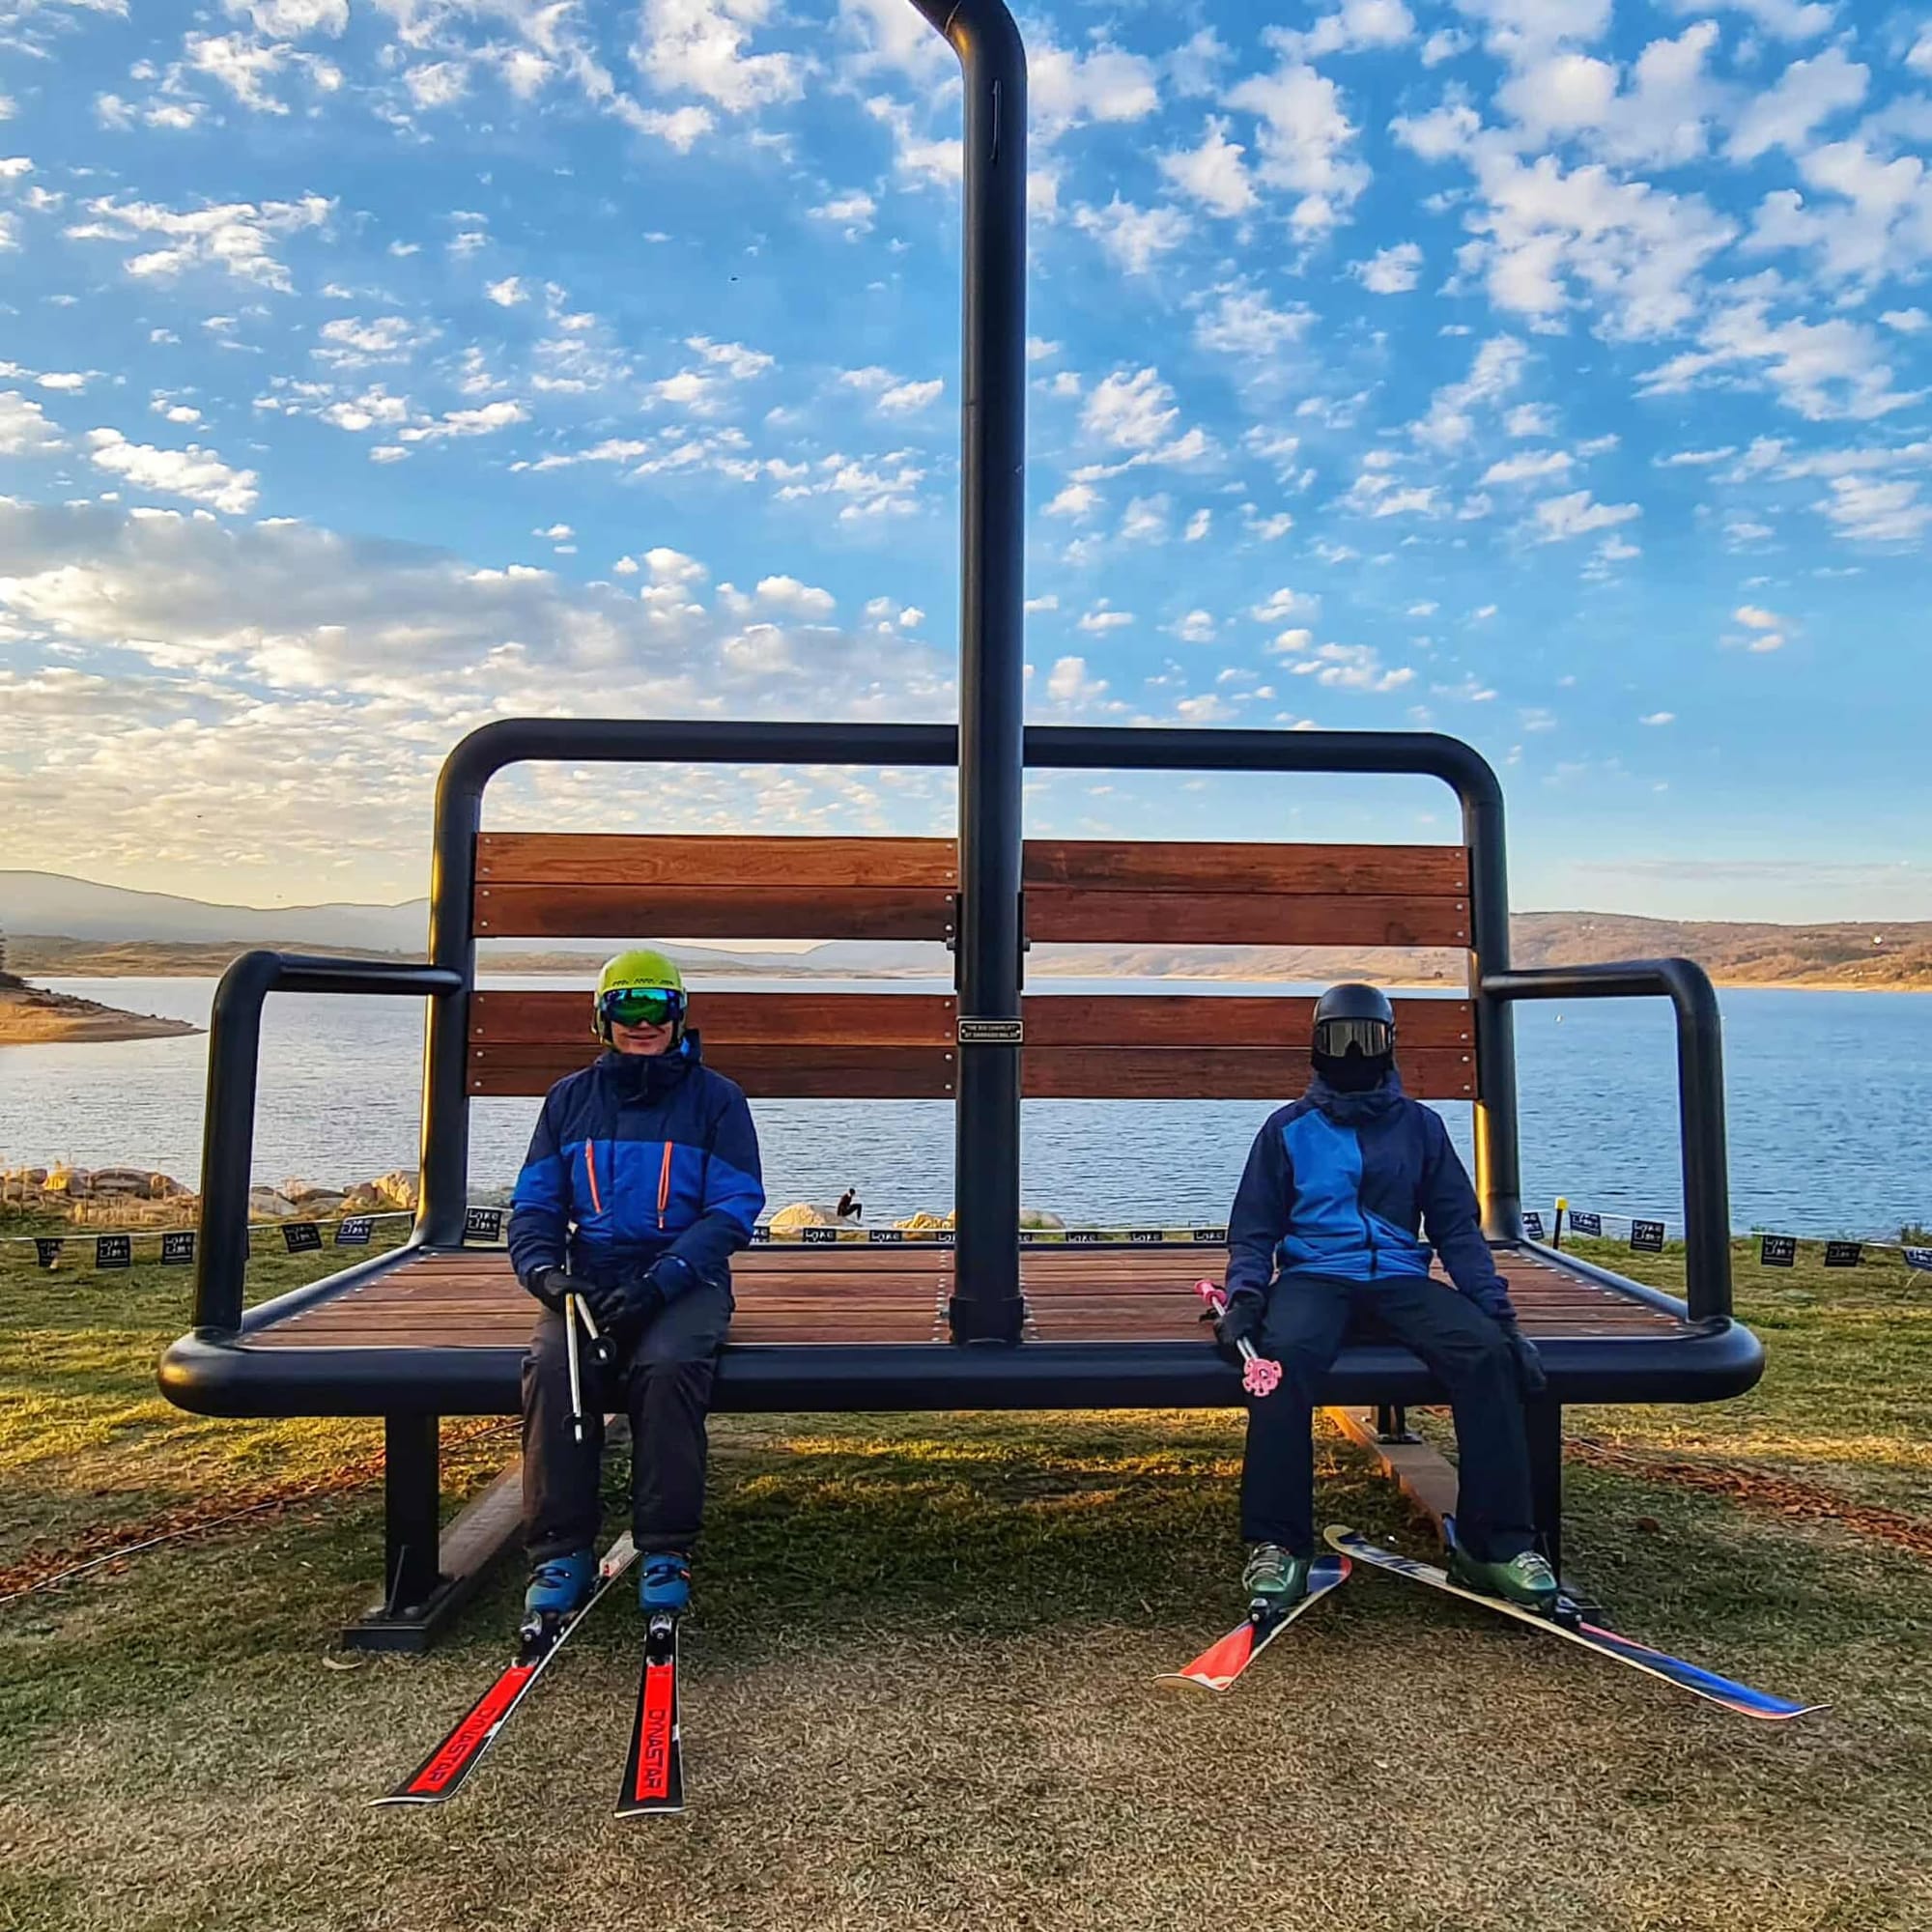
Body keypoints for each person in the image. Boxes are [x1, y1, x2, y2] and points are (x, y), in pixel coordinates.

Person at [1216, 982, 1556, 1613]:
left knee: (1483, 1354)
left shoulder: (1420, 1129)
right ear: (1315, 1048)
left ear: (1389, 1044)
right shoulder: (1287, 1130)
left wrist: (1499, 1317)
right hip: (1317, 1277)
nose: (1351, 1052)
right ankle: (1278, 1543)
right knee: (1282, 1362)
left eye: (1365, 1039)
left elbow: (1456, 1227)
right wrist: (1245, 1296)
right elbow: (1255, 1227)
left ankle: (1496, 1544)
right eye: (1336, 1038)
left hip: (1399, 1279)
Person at [507, 950, 764, 1621]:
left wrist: (664, 1280)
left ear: (679, 1017)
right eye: (628, 1008)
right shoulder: (569, 1100)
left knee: (669, 1367)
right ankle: (560, 1548)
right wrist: (546, 1274)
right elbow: (534, 1205)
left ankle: (665, 1546)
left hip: (685, 1279)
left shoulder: (718, 1101)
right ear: (603, 1018)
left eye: (658, 1009)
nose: (642, 1024)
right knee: (556, 1368)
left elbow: (733, 1208)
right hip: (588, 1275)